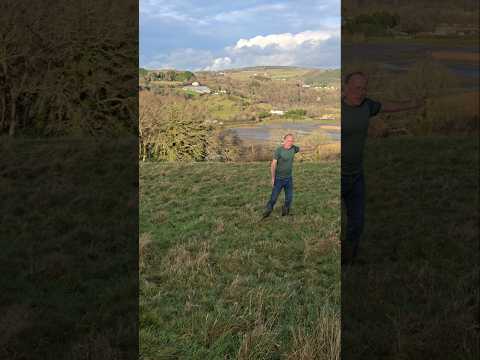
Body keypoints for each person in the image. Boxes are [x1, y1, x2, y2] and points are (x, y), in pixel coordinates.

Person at [341, 71, 425, 264]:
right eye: (356, 88)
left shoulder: (367, 106)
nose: (360, 92)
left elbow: (387, 106)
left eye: (363, 88)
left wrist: (412, 104)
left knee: (357, 221)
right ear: (345, 88)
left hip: (356, 175)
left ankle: (349, 258)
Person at [262, 134, 300, 218]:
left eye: (292, 141)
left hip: (288, 178)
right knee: (274, 197)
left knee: (289, 198)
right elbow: (273, 165)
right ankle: (268, 210)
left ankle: (285, 211)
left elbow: (299, 149)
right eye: (289, 140)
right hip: (278, 178)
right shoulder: (279, 150)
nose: (290, 142)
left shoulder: (294, 148)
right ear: (284, 140)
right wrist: (273, 178)